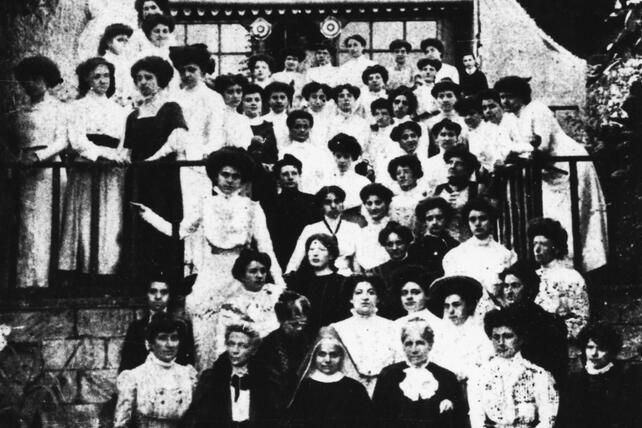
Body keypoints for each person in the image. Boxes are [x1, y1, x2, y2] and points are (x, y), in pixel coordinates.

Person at [135, 148, 283, 371]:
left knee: (239, 341)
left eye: (235, 176)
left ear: (242, 180)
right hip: (210, 277)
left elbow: (266, 248)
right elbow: (179, 231)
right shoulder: (205, 204)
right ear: (216, 176)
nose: (230, 181)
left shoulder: (252, 208)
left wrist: (280, 282)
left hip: (240, 280)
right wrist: (148, 215)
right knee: (205, 343)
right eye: (225, 175)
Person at [495, 76, 608, 272]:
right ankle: (558, 266)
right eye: (502, 97)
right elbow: (503, 147)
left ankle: (582, 267)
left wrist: (516, 149)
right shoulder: (508, 118)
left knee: (575, 217)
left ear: (522, 96)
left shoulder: (538, 110)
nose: (505, 102)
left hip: (569, 167)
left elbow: (542, 145)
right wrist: (517, 149)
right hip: (547, 174)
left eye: (510, 97)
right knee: (552, 219)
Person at [58, 57, 128, 276]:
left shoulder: (120, 110)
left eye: (106, 76)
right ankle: (84, 271)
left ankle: (107, 272)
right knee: (84, 218)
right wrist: (100, 155)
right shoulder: (76, 108)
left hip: (112, 172)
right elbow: (77, 140)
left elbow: (125, 142)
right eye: (97, 76)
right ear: (87, 78)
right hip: (87, 168)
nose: (102, 80)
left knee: (111, 218)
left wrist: (117, 156)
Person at [123, 56, 187, 280]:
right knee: (137, 223)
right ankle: (140, 278)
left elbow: (179, 138)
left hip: (163, 177)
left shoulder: (170, 108)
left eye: (148, 77)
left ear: (160, 80)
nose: (143, 82)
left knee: (163, 221)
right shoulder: (133, 115)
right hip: (138, 177)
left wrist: (153, 159)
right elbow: (127, 149)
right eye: (138, 78)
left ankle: (167, 278)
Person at [9, 56, 67, 288]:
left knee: (49, 226)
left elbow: (64, 140)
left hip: (49, 171)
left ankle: (47, 283)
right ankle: (27, 282)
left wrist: (39, 157)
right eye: (26, 80)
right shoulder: (18, 113)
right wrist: (18, 158)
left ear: (46, 80)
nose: (30, 84)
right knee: (27, 227)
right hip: (25, 173)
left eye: (36, 78)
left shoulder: (59, 109)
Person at [169, 44, 226, 274]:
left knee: (198, 213)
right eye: (183, 70)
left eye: (192, 69)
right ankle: (180, 266)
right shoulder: (176, 98)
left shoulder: (213, 98)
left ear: (202, 70)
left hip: (199, 165)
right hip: (177, 161)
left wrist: (206, 154)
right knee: (178, 213)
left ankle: (198, 268)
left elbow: (216, 132)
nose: (187, 74)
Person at [468, 308, 559, 428]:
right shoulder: (479, 376)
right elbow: (476, 419)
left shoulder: (538, 375)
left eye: (508, 336)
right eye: (496, 337)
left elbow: (548, 419)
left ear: (520, 338)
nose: (501, 342)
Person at [373, 318, 468, 428]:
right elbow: (377, 418)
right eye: (408, 343)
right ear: (403, 346)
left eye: (419, 343)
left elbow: (460, 420)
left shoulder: (447, 377)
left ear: (430, 345)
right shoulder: (388, 375)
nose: (414, 350)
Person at [114, 313, 197, 427]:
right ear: (150, 343)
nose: (170, 344)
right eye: (162, 338)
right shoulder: (134, 377)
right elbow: (121, 424)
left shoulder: (187, 375)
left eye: (174, 338)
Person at [283, 327, 374, 428]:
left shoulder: (355, 387)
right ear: (314, 356)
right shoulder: (304, 386)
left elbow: (366, 422)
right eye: (322, 354)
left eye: (333, 355)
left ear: (342, 357)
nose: (327, 360)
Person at [181, 323, 265, 427]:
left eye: (242, 346)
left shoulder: (264, 381)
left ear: (253, 350)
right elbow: (195, 416)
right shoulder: (211, 378)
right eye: (231, 344)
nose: (235, 351)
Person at [559, 323, 642, 428]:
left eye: (601, 348)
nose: (594, 353)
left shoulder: (624, 376)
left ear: (611, 350)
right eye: (590, 347)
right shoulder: (574, 375)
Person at [499, 261, 569, 385]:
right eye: (506, 286)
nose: (509, 291)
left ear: (529, 288)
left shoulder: (547, 322)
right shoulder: (499, 320)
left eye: (515, 286)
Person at [331, 275, 401, 395]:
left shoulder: (393, 327)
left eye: (371, 293)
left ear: (378, 298)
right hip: (348, 391)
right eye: (358, 293)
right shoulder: (338, 328)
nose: (365, 298)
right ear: (351, 298)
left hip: (385, 389)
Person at [253, 291, 315, 426]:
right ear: (281, 320)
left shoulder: (309, 340)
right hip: (275, 411)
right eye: (293, 324)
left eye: (303, 324)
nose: (299, 329)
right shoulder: (267, 346)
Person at [214, 250, 285, 358]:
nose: (259, 275)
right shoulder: (232, 303)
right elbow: (222, 340)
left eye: (263, 271)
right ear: (242, 275)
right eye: (253, 271)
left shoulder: (277, 294)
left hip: (277, 352)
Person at [528, 217, 590, 339]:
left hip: (560, 343)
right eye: (535, 243)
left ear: (556, 248)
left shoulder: (570, 277)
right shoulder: (531, 275)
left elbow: (580, 317)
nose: (537, 249)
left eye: (543, 244)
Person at [119, 277, 196, 372]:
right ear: (146, 294)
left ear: (170, 295)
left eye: (164, 292)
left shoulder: (182, 326)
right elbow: (127, 363)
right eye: (153, 291)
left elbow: (187, 361)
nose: (158, 296)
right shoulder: (136, 328)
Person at [442, 198, 517, 294]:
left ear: (491, 221)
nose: (477, 223)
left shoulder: (506, 255)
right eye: (472, 219)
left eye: (482, 218)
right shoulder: (455, 255)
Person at [427, 275, 493, 384]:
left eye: (456, 305)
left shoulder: (480, 333)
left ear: (468, 306)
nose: (451, 311)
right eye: (447, 306)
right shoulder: (440, 334)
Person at [286, 186, 360, 275]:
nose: (333, 206)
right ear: (321, 206)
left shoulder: (353, 228)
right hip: (319, 278)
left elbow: (359, 258)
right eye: (328, 202)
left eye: (337, 201)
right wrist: (289, 274)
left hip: (346, 278)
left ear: (342, 204)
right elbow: (296, 259)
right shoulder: (311, 229)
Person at [263, 155, 318, 269]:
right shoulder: (270, 204)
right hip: (279, 256)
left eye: (294, 173)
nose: (290, 177)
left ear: (299, 176)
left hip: (306, 257)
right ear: (278, 179)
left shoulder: (311, 201)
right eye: (285, 174)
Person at [286, 233, 348, 332]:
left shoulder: (342, 282)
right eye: (311, 250)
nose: (315, 253)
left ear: (331, 255)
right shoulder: (297, 281)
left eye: (321, 250)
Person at [433, 147, 486, 242]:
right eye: (450, 162)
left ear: (468, 169)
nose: (452, 166)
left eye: (459, 164)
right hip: (444, 243)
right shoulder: (439, 190)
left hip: (469, 242)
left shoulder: (477, 189)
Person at [368, 221, 419, 318]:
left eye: (399, 243)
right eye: (390, 244)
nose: (394, 248)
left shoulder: (418, 268)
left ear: (407, 243)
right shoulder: (378, 271)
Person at [454, 95, 514, 173]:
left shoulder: (493, 129)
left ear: (480, 114)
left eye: (472, 114)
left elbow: (504, 150)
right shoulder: (467, 134)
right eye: (464, 115)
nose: (468, 117)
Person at [280, 110, 333, 194]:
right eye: (297, 127)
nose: (302, 130)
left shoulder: (319, 153)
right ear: (290, 129)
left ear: (310, 128)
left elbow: (326, 177)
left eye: (305, 127)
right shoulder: (283, 152)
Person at [408, 197, 459, 276]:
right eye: (429, 218)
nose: (434, 222)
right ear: (424, 221)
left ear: (446, 219)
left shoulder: (454, 245)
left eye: (439, 218)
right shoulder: (416, 247)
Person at [325, 133, 370, 212]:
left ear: (353, 157)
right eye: (338, 156)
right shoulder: (327, 180)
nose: (342, 160)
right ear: (333, 156)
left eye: (346, 156)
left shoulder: (362, 182)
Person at [354, 183, 394, 271]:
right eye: (369, 203)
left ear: (386, 203)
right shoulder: (362, 232)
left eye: (378, 202)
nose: (373, 207)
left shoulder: (394, 228)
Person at [392, 266, 442, 331]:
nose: (409, 297)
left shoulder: (437, 323)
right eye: (404, 293)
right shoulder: (396, 325)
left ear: (427, 295)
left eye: (415, 292)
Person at [388, 155, 429, 230]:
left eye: (406, 172)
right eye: (398, 173)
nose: (402, 176)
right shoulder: (393, 201)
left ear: (414, 173)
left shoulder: (423, 197)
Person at [212, 74, 254, 149]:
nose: (235, 95)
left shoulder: (243, 119)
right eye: (230, 92)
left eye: (238, 91)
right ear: (221, 94)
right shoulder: (217, 116)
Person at [98, 23, 136, 106]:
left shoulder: (125, 61)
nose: (124, 44)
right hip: (111, 102)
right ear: (109, 42)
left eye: (126, 40)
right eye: (120, 40)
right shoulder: (105, 62)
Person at [242, 84, 279, 165]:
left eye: (257, 100)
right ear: (242, 103)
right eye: (249, 100)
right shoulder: (238, 123)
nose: (253, 103)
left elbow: (273, 152)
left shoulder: (268, 125)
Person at [423, 118, 465, 191]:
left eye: (451, 134)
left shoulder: (464, 161)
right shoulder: (429, 163)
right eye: (443, 134)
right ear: (436, 139)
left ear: (457, 139)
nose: (447, 138)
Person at [328, 84, 370, 149]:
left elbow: (365, 145)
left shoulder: (362, 123)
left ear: (355, 99)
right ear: (336, 101)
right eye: (341, 96)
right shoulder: (330, 122)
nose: (346, 99)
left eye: (349, 96)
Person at [301, 81, 333, 150]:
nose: (318, 101)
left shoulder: (331, 116)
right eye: (314, 97)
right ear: (307, 98)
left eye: (322, 97)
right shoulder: (302, 115)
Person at [262, 81, 294, 152]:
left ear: (288, 101)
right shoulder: (262, 121)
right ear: (268, 100)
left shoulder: (293, 120)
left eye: (282, 97)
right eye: (275, 97)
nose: (279, 101)